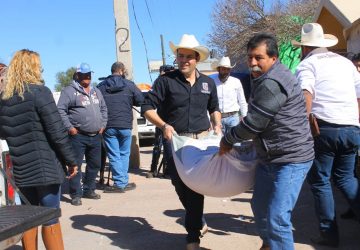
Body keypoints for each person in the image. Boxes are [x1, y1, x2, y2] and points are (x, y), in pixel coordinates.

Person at [219, 33, 314, 250]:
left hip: (291, 158)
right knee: (260, 206)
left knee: (277, 217)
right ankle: (270, 245)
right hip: (270, 157)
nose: (252, 62)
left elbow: (254, 124)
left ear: (273, 58)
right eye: (250, 57)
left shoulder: (273, 82)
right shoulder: (262, 76)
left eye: (258, 57)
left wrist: (228, 140)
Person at [141, 34, 221, 250]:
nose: (184, 60)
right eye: (180, 56)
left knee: (194, 188)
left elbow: (214, 108)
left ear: (197, 59)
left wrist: (217, 125)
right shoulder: (165, 81)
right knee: (178, 183)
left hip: (201, 142)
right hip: (174, 141)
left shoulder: (207, 83)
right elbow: (146, 107)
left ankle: (192, 237)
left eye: (188, 56)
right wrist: (163, 125)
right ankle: (197, 219)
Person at [0, 49, 78, 249]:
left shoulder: (5, 99)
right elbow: (57, 131)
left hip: (21, 168)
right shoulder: (39, 92)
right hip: (45, 168)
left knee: (29, 217)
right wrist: (71, 161)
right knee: (50, 217)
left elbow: (3, 133)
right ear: (32, 68)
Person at [293, 23, 360, 247]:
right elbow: (358, 95)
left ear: (304, 47)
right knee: (346, 178)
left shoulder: (307, 64)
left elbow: (305, 94)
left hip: (325, 129)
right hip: (351, 127)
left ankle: (329, 236)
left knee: (321, 182)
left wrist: (301, 129)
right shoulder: (346, 63)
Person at [57, 63, 107, 206]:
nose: (88, 77)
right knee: (75, 166)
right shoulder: (69, 91)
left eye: (89, 74)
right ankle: (75, 194)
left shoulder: (96, 91)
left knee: (95, 164)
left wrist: (103, 125)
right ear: (77, 75)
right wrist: (70, 128)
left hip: (96, 135)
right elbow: (60, 110)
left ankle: (89, 190)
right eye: (85, 74)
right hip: (77, 136)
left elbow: (104, 109)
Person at [97, 62, 144, 193]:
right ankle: (121, 182)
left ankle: (120, 182)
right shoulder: (130, 85)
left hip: (109, 126)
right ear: (122, 71)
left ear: (112, 71)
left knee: (114, 155)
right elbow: (140, 100)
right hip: (125, 125)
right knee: (124, 154)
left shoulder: (101, 86)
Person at [147, 65, 175, 178]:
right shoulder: (158, 83)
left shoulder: (174, 83)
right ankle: (153, 169)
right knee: (157, 145)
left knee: (170, 146)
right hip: (160, 120)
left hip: (173, 119)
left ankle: (168, 170)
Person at [212, 56, 248, 134]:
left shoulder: (236, 81)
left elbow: (242, 100)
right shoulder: (211, 80)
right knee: (217, 143)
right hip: (217, 119)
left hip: (233, 118)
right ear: (219, 69)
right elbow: (207, 101)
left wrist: (244, 117)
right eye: (223, 69)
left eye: (228, 69)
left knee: (235, 143)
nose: (226, 71)